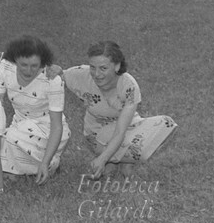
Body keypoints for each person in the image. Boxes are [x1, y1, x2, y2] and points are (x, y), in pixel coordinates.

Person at [51, 41, 177, 178]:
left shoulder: (128, 86)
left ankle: (119, 160)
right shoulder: (81, 75)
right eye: (93, 67)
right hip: (96, 135)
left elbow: (120, 131)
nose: (96, 74)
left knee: (165, 123)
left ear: (117, 66)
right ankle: (116, 159)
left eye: (103, 68)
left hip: (126, 128)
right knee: (116, 141)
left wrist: (102, 159)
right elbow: (56, 75)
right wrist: (54, 71)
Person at [0, 35, 70, 184]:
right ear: (15, 59)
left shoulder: (52, 79)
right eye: (23, 65)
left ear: (43, 62)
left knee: (11, 136)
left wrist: (45, 162)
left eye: (34, 66)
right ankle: (25, 168)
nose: (28, 71)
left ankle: (47, 162)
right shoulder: (4, 67)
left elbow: (57, 125)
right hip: (19, 123)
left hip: (47, 129)